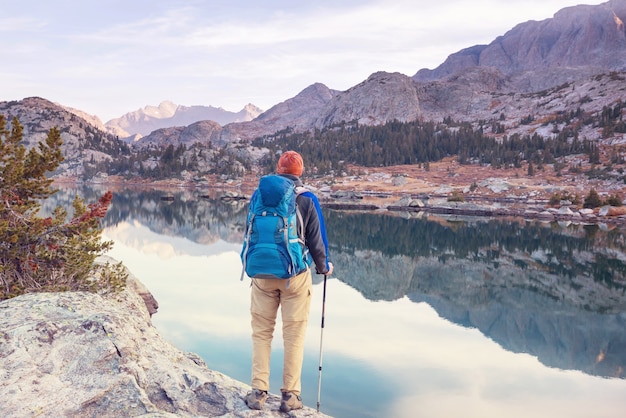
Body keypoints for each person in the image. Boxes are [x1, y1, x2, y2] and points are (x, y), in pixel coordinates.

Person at [243, 150, 333, 413]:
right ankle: (289, 396)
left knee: (261, 333)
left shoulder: (258, 196)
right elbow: (317, 241)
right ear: (300, 172)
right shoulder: (306, 198)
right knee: (293, 336)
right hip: (295, 277)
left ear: (278, 169)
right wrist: (323, 267)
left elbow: (250, 232)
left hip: (261, 275)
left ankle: (258, 393)